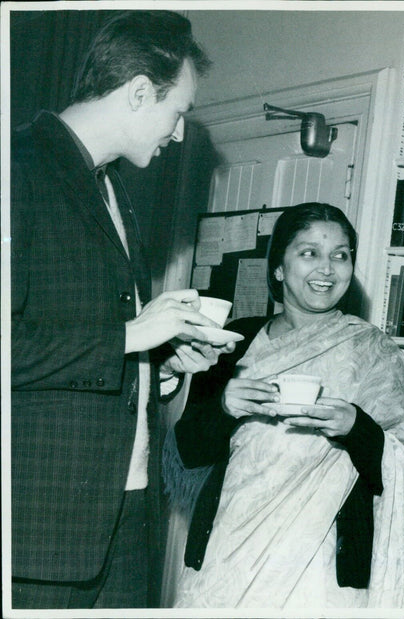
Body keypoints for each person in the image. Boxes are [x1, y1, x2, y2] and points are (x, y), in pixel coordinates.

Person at [9, 11, 231, 609]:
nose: (179, 133)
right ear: (138, 92)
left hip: (126, 517)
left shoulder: (113, 191)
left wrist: (161, 365)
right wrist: (131, 333)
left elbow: (93, 352)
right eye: (177, 111)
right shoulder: (18, 170)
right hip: (40, 533)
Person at [164, 202, 404, 608]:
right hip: (227, 556)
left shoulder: (372, 350)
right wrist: (224, 407)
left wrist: (355, 427)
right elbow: (187, 453)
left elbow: (402, 464)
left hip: (320, 568)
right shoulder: (232, 343)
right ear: (279, 268)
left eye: (340, 255)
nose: (327, 269)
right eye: (309, 253)